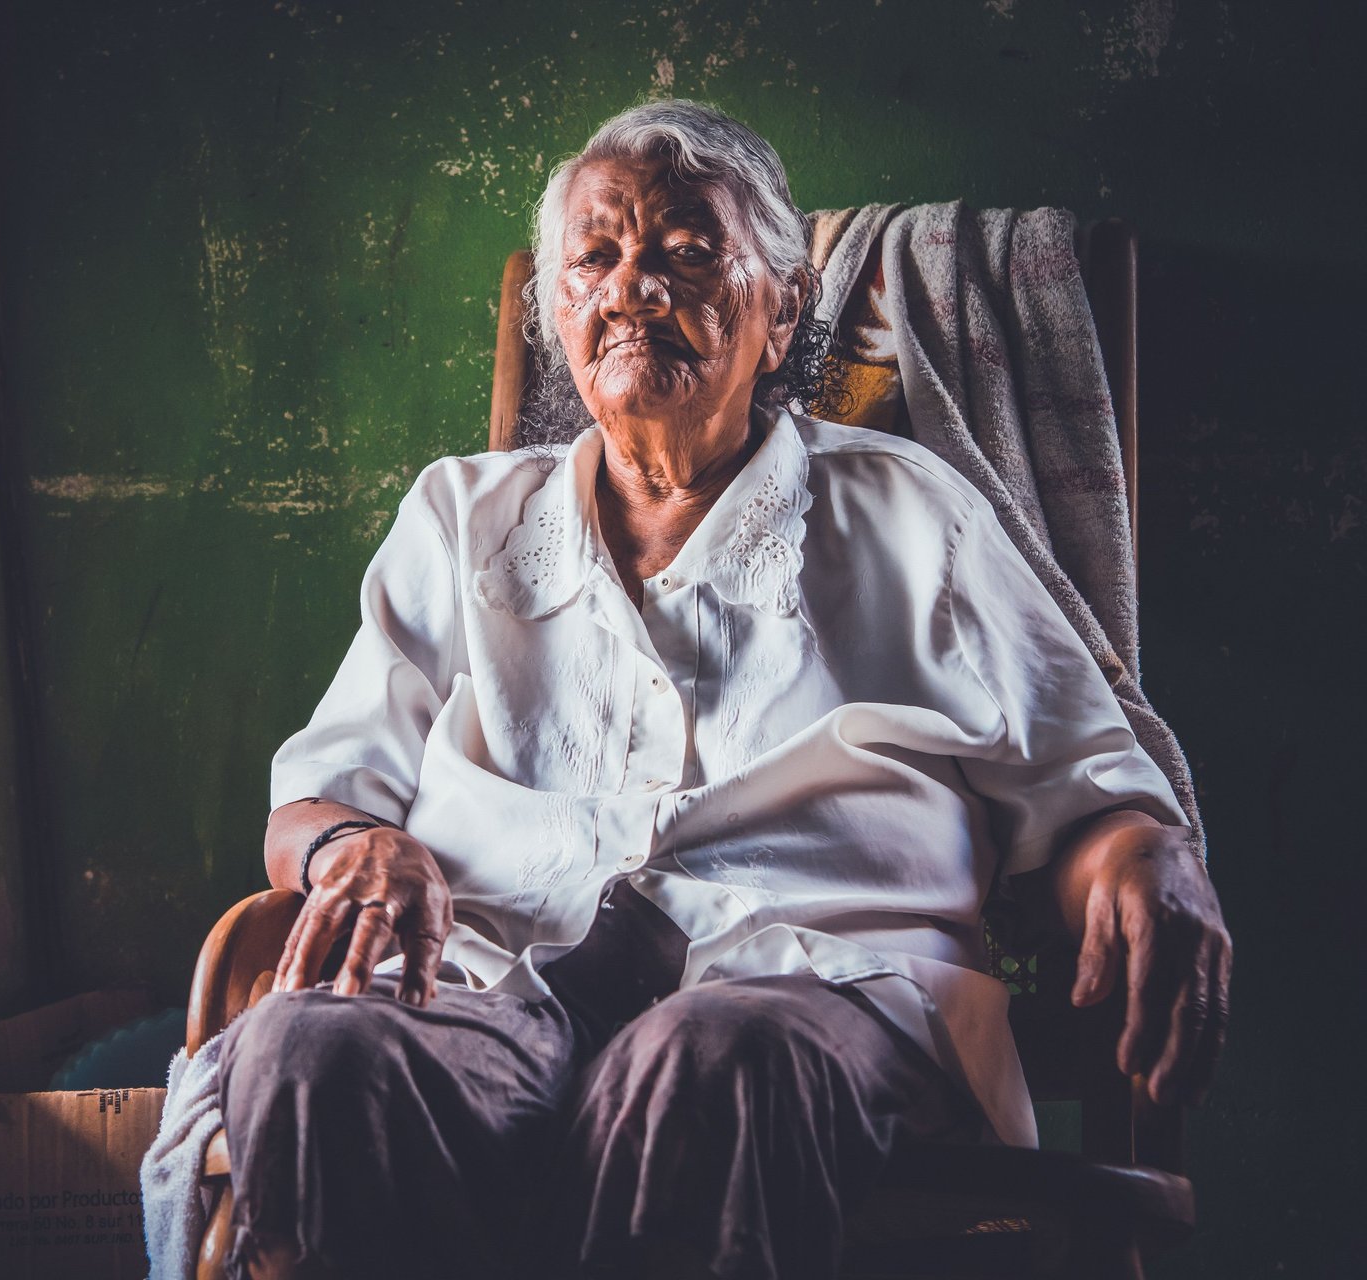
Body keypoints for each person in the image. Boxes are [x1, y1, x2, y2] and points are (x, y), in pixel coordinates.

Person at [215, 100, 1230, 1280]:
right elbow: (320, 799)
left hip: (809, 989)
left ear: (784, 306)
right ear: (558, 312)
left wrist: (1146, 853)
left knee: (709, 1056)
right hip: (493, 989)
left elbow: (1090, 792)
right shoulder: (461, 516)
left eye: (688, 253)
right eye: (596, 258)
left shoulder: (911, 512)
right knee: (306, 1048)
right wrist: (352, 846)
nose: (632, 288)